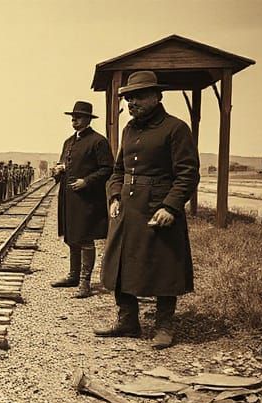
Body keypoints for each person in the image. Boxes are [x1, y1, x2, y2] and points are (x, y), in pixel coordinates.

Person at [96, 71, 200, 349]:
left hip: (158, 211)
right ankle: (128, 321)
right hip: (127, 210)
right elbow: (118, 171)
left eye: (139, 96)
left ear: (157, 96)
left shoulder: (176, 128)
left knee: (164, 267)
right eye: (129, 98)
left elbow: (188, 174)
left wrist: (171, 207)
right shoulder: (129, 129)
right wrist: (115, 197)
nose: (132, 102)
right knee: (119, 265)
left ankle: (164, 326)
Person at [51, 101, 114, 298]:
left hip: (87, 198)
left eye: (78, 117)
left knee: (85, 239)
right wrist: (58, 171)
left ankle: (85, 282)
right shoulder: (68, 141)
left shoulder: (98, 141)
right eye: (72, 116)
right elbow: (64, 164)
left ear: (87, 119)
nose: (74, 119)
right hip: (68, 197)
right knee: (71, 237)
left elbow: (107, 168)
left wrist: (86, 181)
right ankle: (73, 275)